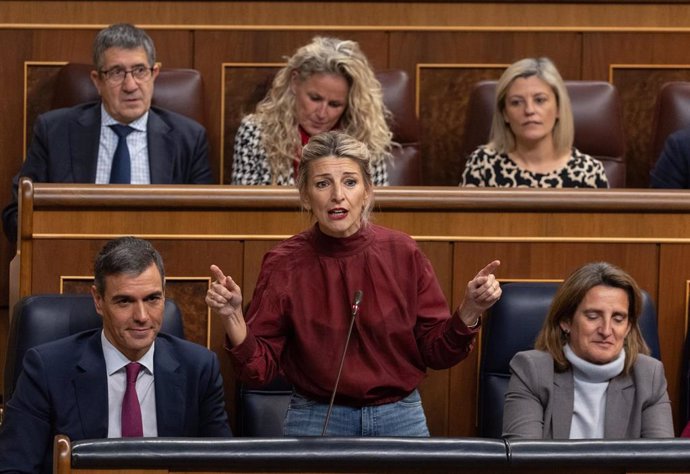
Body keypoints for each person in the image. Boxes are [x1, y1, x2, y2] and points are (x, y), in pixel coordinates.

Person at [208, 131, 501, 436]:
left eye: (350, 182)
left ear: (367, 191)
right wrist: (233, 317)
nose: (338, 195)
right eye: (323, 184)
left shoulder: (402, 252)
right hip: (317, 416)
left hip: (399, 416)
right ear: (306, 195)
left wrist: (470, 310)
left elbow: (437, 353)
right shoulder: (284, 263)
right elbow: (258, 371)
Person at [0, 236, 231, 474]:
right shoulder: (47, 369)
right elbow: (15, 468)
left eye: (152, 298)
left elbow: (221, 466)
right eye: (125, 301)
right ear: (98, 301)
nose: (142, 315)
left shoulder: (200, 367)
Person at [1, 23, 213, 242]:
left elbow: (206, 221)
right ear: (97, 81)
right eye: (116, 73)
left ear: (154, 74)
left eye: (140, 70)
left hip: (159, 266)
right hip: (74, 262)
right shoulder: (55, 131)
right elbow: (16, 213)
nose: (130, 85)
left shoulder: (189, 138)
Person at [502, 262, 673, 439]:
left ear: (629, 326)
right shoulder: (533, 371)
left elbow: (660, 463)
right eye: (593, 316)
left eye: (618, 318)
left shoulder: (649, 376)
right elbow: (525, 460)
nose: (606, 330)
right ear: (566, 321)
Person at [231, 36, 393, 187]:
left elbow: (376, 209)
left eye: (335, 104)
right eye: (315, 98)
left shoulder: (366, 139)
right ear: (295, 82)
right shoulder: (256, 132)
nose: (322, 114)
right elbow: (245, 209)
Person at [460, 57, 608, 188]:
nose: (529, 110)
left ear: (558, 109)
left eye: (540, 100)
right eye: (516, 102)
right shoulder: (482, 165)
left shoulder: (589, 172)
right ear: (505, 113)